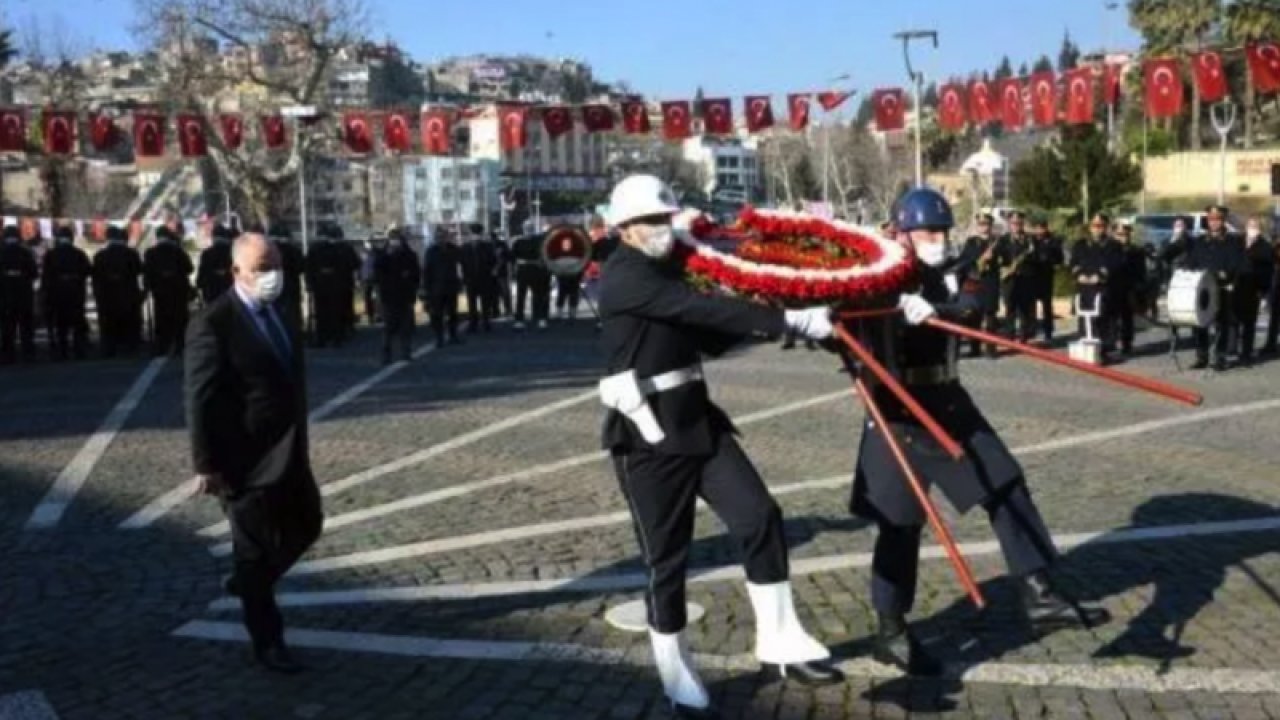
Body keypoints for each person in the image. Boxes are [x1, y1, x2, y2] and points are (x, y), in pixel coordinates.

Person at [598, 175, 841, 718]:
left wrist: (778, 307)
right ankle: (676, 671)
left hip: (699, 423)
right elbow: (698, 311)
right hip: (648, 437)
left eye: (666, 219)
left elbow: (709, 331)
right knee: (667, 560)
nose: (663, 229)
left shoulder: (667, 272)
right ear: (625, 229)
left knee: (759, 516)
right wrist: (787, 320)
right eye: (651, 222)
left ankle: (779, 638)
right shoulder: (624, 277)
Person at [845, 187, 1108, 676]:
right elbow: (848, 317)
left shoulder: (957, 268)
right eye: (927, 231)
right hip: (895, 411)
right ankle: (891, 630)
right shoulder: (877, 274)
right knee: (899, 524)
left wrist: (935, 310)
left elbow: (977, 304)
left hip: (948, 400)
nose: (938, 239)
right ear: (902, 233)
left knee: (1005, 484)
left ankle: (1038, 592)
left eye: (943, 230)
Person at [185, 232, 322, 675]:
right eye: (262, 267)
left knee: (308, 524)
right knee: (254, 552)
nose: (273, 275)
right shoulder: (213, 323)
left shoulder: (281, 309)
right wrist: (206, 464)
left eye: (277, 265)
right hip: (242, 460)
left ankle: (248, 585)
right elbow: (199, 398)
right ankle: (269, 642)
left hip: (288, 450)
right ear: (236, 271)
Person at [1163, 205, 1247, 371]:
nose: (1214, 223)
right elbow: (1191, 261)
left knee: (1222, 323)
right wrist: (1188, 271)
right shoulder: (1200, 241)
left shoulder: (1233, 241)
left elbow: (1237, 263)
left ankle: (1220, 357)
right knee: (1200, 322)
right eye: (1210, 219)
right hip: (1202, 287)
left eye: (1217, 219)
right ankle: (1202, 356)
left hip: (1222, 287)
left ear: (1223, 221)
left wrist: (1226, 274)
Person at [1070, 214, 1119, 362]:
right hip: (1084, 287)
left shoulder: (1113, 245)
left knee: (1103, 318)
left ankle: (1104, 351)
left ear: (1106, 227)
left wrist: (1099, 276)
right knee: (1085, 319)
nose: (1097, 229)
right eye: (1094, 226)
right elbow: (1074, 263)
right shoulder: (1080, 244)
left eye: (1100, 226)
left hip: (1102, 287)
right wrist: (1078, 275)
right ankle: (1086, 347)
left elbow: (1115, 264)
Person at [41, 224, 93, 360]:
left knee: (61, 323)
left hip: (57, 292)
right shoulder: (79, 253)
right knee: (77, 321)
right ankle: (79, 350)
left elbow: (46, 275)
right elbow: (88, 271)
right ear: (71, 238)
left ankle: (62, 350)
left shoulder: (51, 254)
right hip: (76, 290)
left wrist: (46, 293)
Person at [92, 225, 145, 357]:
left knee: (108, 323)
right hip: (128, 293)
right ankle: (131, 347)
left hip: (107, 295)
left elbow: (95, 276)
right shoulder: (132, 254)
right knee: (130, 322)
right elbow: (139, 270)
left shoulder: (100, 256)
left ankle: (109, 348)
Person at [954, 213, 1001, 357]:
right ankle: (974, 349)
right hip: (975, 282)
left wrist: (994, 259)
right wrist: (977, 261)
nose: (983, 227)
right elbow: (963, 261)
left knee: (991, 316)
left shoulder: (998, 242)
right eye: (981, 224)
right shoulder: (971, 242)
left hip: (991, 281)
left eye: (986, 224)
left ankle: (991, 350)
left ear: (991, 225)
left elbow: (1005, 259)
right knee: (974, 317)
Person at [143, 226, 195, 357]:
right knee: (179, 317)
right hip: (178, 290)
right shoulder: (178, 251)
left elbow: (147, 272)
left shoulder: (151, 253)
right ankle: (180, 344)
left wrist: (147, 287)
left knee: (161, 317)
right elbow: (189, 268)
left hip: (159, 291)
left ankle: (162, 345)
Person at [376, 228, 421, 364]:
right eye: (392, 239)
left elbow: (416, 274)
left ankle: (406, 352)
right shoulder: (383, 255)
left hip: (405, 295)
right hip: (388, 296)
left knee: (405, 327)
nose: (395, 242)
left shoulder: (409, 255)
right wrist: (387, 256)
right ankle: (386, 354)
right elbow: (378, 273)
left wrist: (413, 288)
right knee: (388, 328)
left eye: (398, 239)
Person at [1236, 217, 1273, 365]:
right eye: (1250, 225)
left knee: (1249, 323)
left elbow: (1267, 270)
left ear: (1260, 229)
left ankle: (1246, 353)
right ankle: (1231, 349)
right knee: (1233, 321)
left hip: (1253, 289)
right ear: (1245, 227)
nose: (1252, 228)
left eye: (1255, 226)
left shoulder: (1265, 246)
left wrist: (1263, 290)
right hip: (1236, 286)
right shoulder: (1237, 242)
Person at [0, 225, 38, 363]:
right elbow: (34, 273)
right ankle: (28, 353)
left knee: (7, 327)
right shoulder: (25, 253)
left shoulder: (1, 252)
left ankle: (7, 354)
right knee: (26, 327)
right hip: (24, 294)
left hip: (5, 295)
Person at [997, 211, 1037, 343]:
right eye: (1014, 223)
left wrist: (1029, 257)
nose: (1016, 225)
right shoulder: (1003, 240)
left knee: (1025, 310)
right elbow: (998, 257)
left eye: (1019, 223)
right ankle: (1009, 336)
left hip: (1026, 278)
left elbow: (1037, 259)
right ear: (1009, 224)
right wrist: (1005, 267)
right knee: (1010, 309)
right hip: (1009, 279)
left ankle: (1024, 337)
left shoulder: (1030, 240)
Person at [1109, 222, 1147, 356]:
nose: (1123, 237)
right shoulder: (1109, 249)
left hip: (1129, 288)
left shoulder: (1136, 250)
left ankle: (1127, 344)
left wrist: (1139, 288)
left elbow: (1141, 271)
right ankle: (1111, 343)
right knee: (1111, 317)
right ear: (1113, 234)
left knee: (1127, 317)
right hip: (1112, 287)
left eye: (1126, 234)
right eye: (1120, 234)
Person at [422, 229, 463, 346]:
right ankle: (439, 337)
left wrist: (460, 282)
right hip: (436, 287)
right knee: (437, 314)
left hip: (451, 286)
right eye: (439, 237)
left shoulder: (453, 249)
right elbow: (427, 270)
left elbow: (460, 264)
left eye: (444, 236)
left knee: (453, 313)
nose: (441, 239)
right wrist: (425, 288)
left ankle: (453, 335)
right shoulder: (431, 251)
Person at [1027, 217, 1065, 344]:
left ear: (1046, 228)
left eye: (1042, 227)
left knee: (1047, 306)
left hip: (1046, 276)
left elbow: (1059, 259)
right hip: (1032, 277)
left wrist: (1050, 257)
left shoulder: (1053, 241)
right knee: (1030, 305)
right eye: (1037, 228)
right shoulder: (1030, 240)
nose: (1039, 230)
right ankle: (1031, 330)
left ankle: (1048, 331)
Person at [459, 229, 498, 333]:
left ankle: (486, 322)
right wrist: (463, 277)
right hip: (470, 278)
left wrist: (492, 272)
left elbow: (494, 261)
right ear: (470, 235)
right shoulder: (464, 247)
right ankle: (473, 323)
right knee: (471, 302)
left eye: (478, 234)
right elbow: (461, 263)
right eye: (474, 234)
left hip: (484, 278)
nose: (476, 237)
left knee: (485, 302)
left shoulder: (487, 247)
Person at [512, 230, 552, 330]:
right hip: (535, 269)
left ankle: (520, 319)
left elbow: (512, 257)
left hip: (524, 269)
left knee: (522, 295)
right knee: (537, 295)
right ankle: (540, 318)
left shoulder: (518, 242)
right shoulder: (539, 242)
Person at [272, 225, 306, 334]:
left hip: (273, 284)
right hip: (291, 284)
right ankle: (295, 331)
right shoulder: (294, 250)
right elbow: (301, 267)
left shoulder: (269, 250)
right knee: (293, 310)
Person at [196, 224, 236, 305]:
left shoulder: (206, 254)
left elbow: (201, 278)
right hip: (233, 294)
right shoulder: (234, 252)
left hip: (213, 295)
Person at [360, 237, 385, 326]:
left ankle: (380, 315)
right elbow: (360, 266)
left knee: (379, 298)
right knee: (367, 298)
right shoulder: (362, 252)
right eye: (367, 242)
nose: (368, 243)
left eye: (370, 242)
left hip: (376, 278)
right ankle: (370, 316)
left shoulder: (378, 252)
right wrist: (359, 278)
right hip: (366, 278)